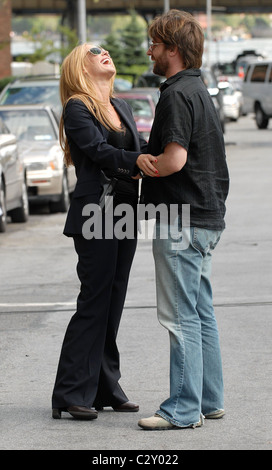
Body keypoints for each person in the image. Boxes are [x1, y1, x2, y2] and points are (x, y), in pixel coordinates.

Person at [51, 43, 158, 420]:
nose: (106, 53)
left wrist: (166, 152)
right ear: (80, 67)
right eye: (95, 51)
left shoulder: (121, 107)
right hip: (97, 210)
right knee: (94, 299)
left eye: (108, 49)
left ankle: (104, 387)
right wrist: (140, 160)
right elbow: (98, 151)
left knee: (113, 300)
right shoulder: (77, 107)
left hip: (125, 209)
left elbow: (141, 146)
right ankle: (69, 391)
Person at [138, 10, 229, 430]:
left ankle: (182, 408)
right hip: (206, 218)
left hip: (181, 219)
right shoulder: (199, 89)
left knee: (180, 318)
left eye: (155, 44)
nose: (150, 50)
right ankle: (209, 400)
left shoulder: (175, 93)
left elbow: (174, 161)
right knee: (201, 311)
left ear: (172, 49)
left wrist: (139, 163)